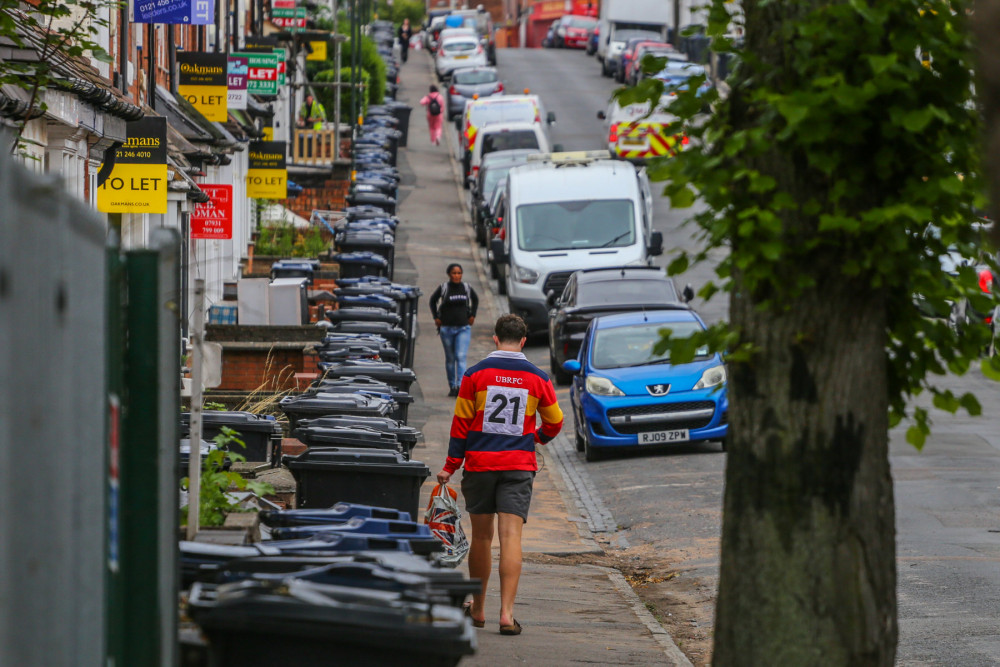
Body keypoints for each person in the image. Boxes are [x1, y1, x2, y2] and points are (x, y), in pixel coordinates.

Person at [436, 314, 564, 636]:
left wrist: (450, 466)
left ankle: (478, 610)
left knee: (481, 537)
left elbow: (460, 426)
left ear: (495, 339)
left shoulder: (474, 375)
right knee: (511, 538)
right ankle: (507, 614)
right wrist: (535, 439)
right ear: (522, 341)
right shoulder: (538, 378)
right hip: (518, 466)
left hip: (479, 465)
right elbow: (555, 422)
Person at [429, 263, 478, 395]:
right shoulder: (444, 288)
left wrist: (473, 315)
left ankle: (460, 385)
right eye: (454, 273)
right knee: (450, 358)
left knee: (460, 356)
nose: (457, 276)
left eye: (459, 273)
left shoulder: (466, 288)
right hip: (447, 328)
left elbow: (476, 299)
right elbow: (432, 301)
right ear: (449, 274)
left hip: (463, 328)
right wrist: (436, 318)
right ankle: (452, 386)